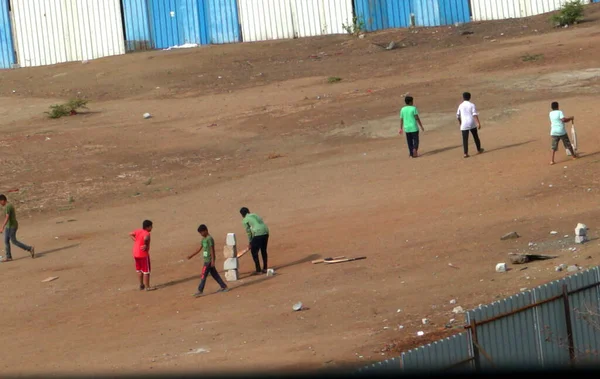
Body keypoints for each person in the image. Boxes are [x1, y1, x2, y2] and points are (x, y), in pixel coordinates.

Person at [187, 224, 228, 298]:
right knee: (214, 274)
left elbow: (212, 250)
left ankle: (200, 290)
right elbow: (199, 249)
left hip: (208, 261)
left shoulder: (209, 239)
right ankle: (223, 286)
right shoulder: (203, 239)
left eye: (201, 232)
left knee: (203, 275)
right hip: (206, 260)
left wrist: (213, 261)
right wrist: (191, 255)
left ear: (206, 230)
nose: (201, 234)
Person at [0, 194, 35, 262]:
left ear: (3, 200)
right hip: (8, 226)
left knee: (14, 241)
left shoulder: (8, 206)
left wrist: (2, 227)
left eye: (0, 202)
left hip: (12, 226)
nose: (0, 204)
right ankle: (8, 256)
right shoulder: (8, 206)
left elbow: (7, 217)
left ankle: (29, 248)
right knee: (6, 241)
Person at [240, 207, 269, 275]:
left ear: (242, 215)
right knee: (263, 250)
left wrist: (250, 242)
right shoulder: (255, 214)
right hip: (266, 231)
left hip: (258, 234)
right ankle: (265, 268)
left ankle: (258, 270)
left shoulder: (245, 220)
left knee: (254, 251)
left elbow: (249, 232)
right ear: (248, 211)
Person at [129, 220, 156, 291]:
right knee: (146, 271)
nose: (152, 228)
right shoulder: (147, 233)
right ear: (147, 227)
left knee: (139, 270)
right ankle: (147, 287)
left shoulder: (138, 231)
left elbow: (130, 234)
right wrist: (146, 244)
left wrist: (136, 240)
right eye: (151, 226)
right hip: (143, 254)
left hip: (135, 253)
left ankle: (141, 285)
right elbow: (146, 238)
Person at [457, 92, 484, 158]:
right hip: (471, 122)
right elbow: (474, 114)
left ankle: (465, 153)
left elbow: (458, 116)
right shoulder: (472, 105)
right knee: (475, 136)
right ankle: (479, 149)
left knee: (465, 139)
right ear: (470, 97)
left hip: (464, 124)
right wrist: (478, 123)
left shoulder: (460, 105)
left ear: (463, 97)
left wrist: (460, 123)